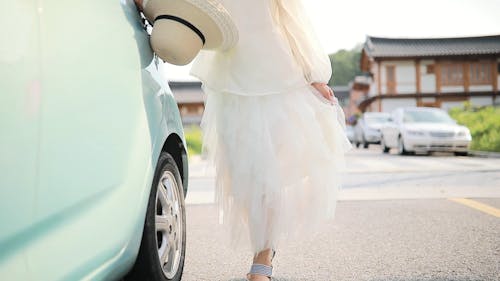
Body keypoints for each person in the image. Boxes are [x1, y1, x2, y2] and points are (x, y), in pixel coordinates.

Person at [137, 0, 351, 280]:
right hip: (228, 77)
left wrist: (314, 75)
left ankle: (263, 255)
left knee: (265, 172)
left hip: (275, 74)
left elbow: (293, 19)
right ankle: (264, 241)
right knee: (243, 176)